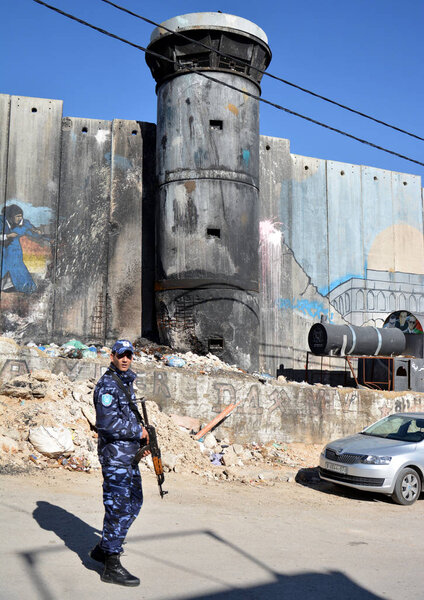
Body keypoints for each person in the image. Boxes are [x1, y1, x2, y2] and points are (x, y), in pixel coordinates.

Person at [90, 340, 149, 587]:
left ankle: (104, 549)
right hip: (115, 458)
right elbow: (107, 425)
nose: (125, 359)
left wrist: (140, 445)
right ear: (112, 356)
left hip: (127, 456)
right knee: (118, 507)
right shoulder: (107, 386)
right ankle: (111, 564)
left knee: (134, 500)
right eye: (121, 355)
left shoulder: (125, 383)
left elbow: (125, 418)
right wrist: (138, 432)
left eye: (129, 355)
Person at [0, 204, 48, 293]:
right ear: (11, 216)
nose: (19, 219)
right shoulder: (1, 221)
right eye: (17, 216)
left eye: (21, 216)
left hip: (14, 251)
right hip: (2, 251)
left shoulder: (23, 223)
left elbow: (32, 231)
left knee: (20, 271)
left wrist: (38, 232)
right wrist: (7, 236)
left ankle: (20, 287)